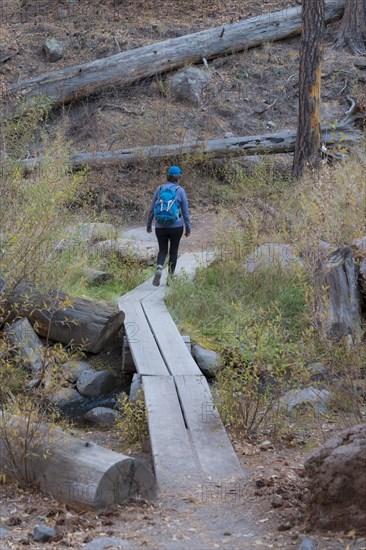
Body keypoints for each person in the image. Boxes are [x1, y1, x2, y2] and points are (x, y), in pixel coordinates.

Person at [147, 165, 191, 286]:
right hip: (176, 226)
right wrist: (188, 228)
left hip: (160, 226)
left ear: (167, 176)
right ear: (178, 177)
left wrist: (149, 224)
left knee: (162, 250)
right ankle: (170, 279)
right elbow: (185, 212)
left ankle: (159, 269)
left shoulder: (159, 188)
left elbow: (151, 209)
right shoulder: (180, 190)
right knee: (173, 251)